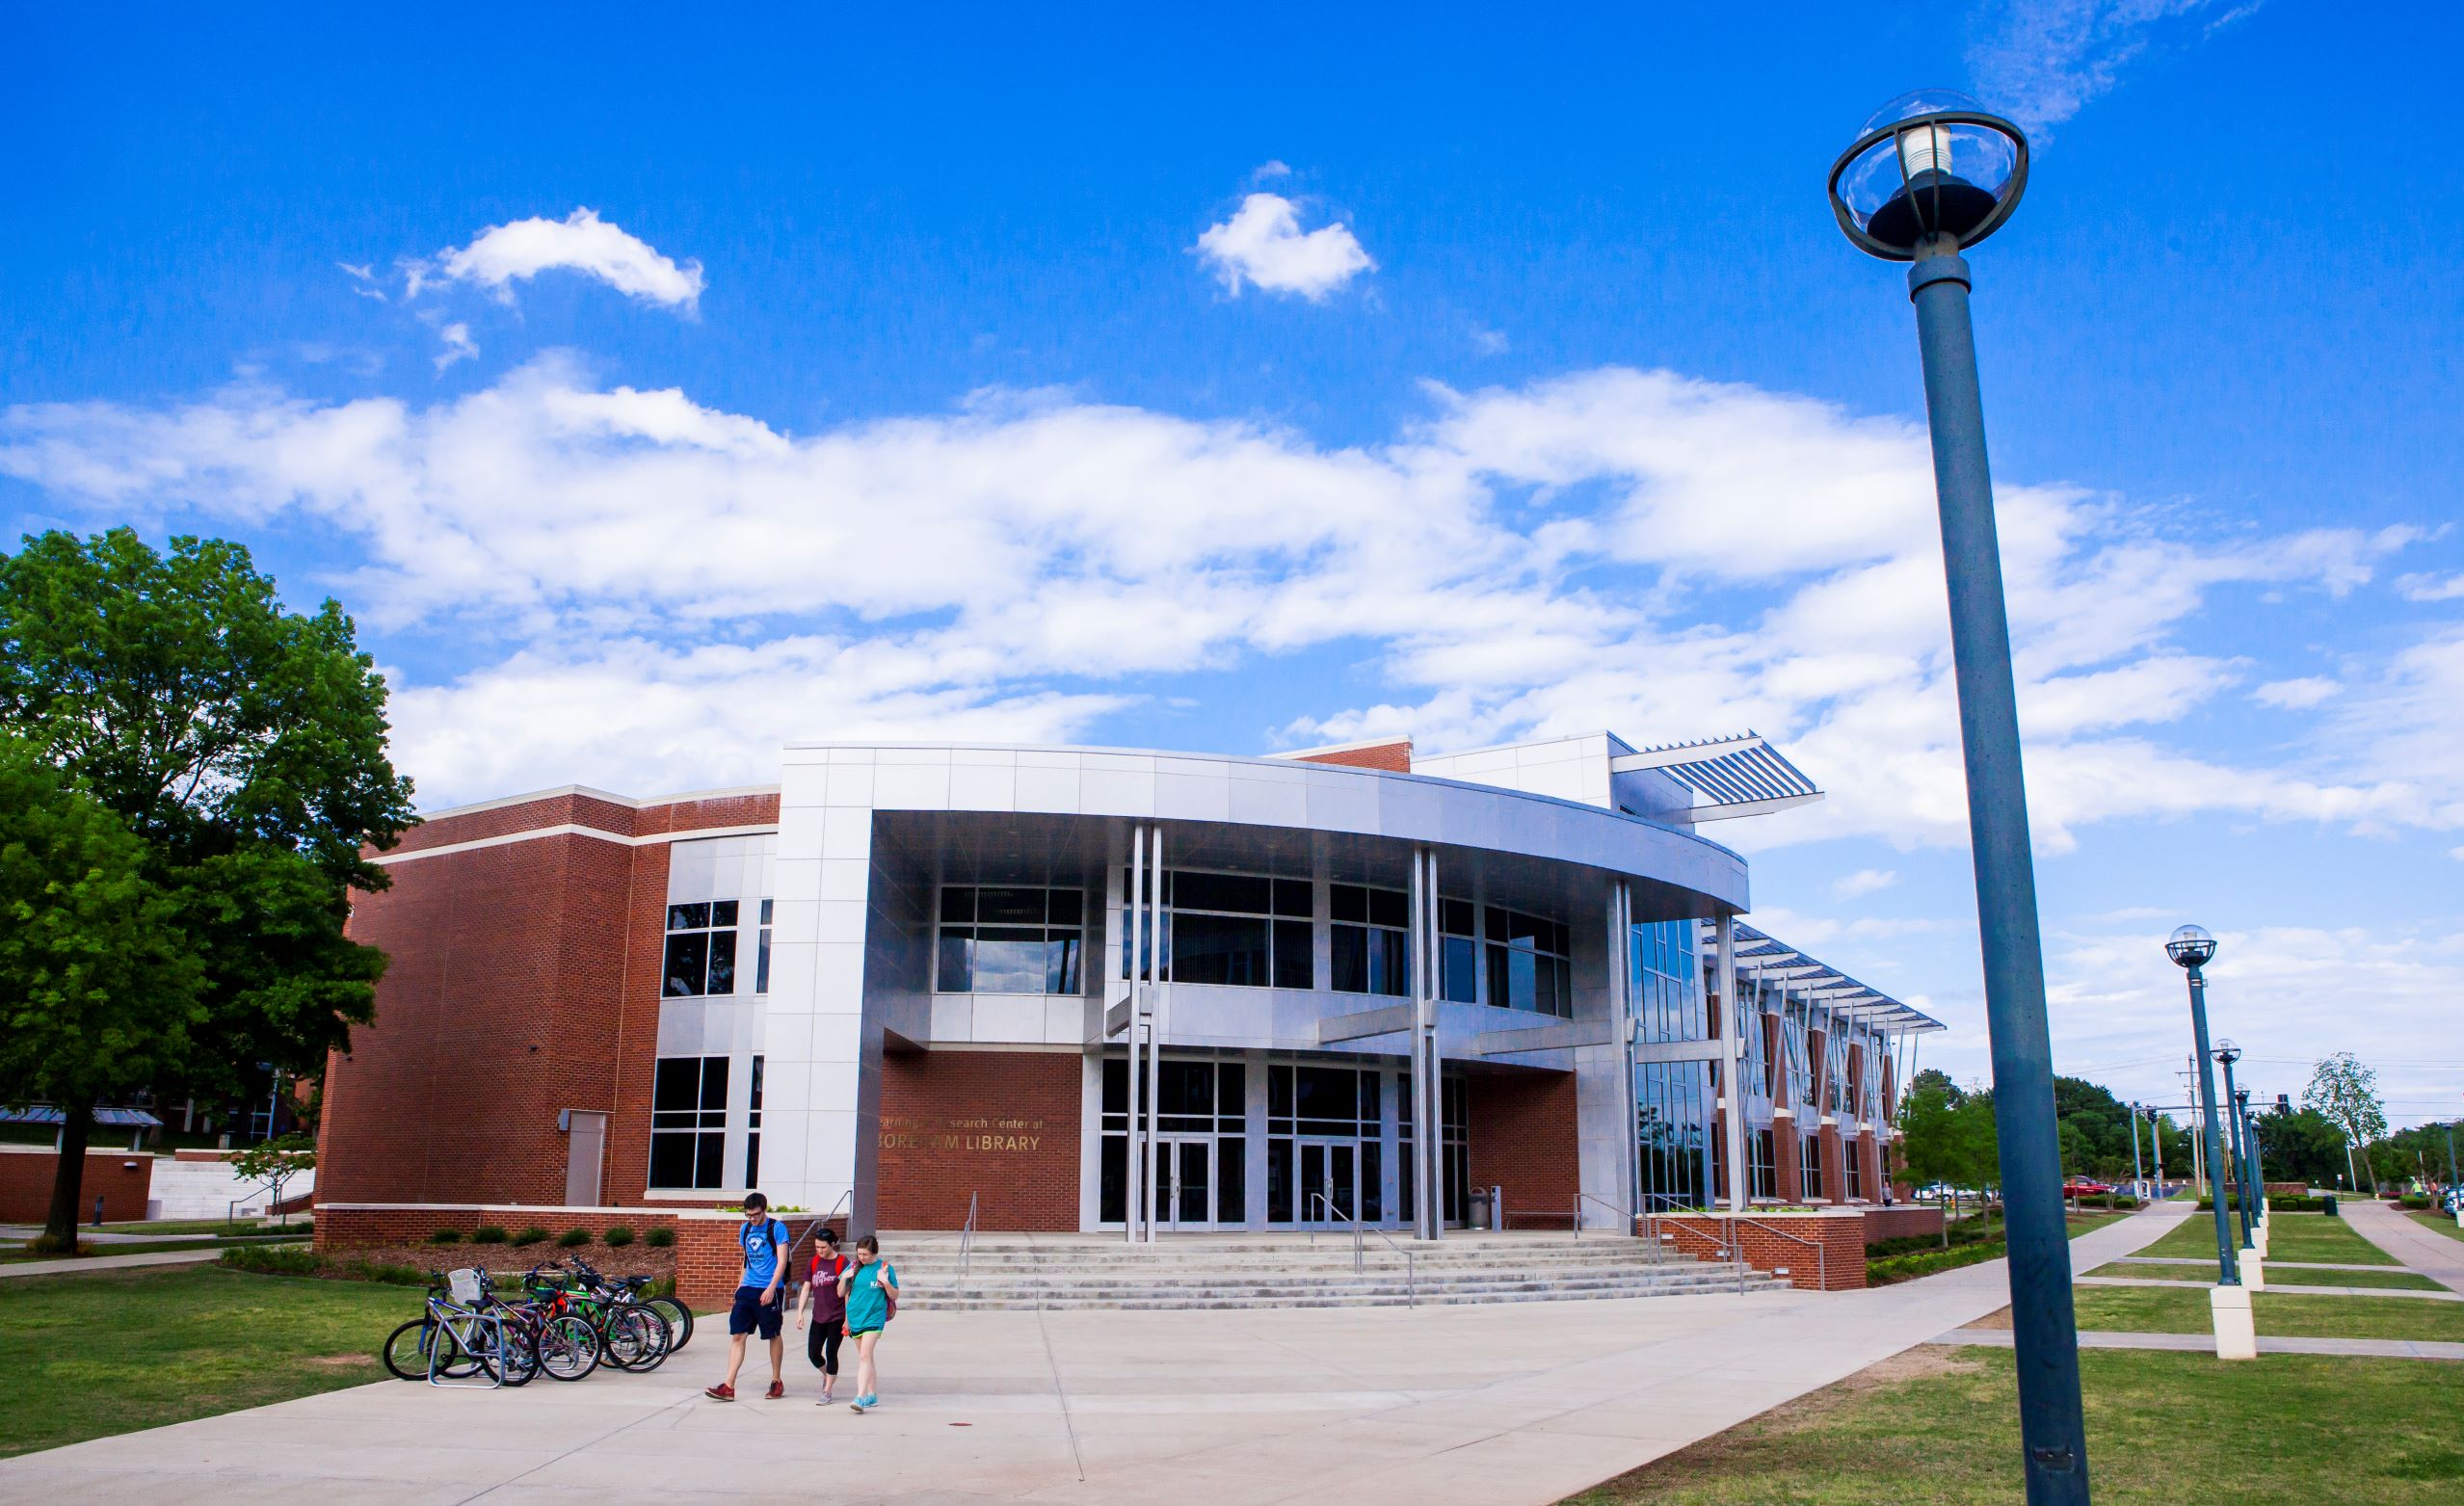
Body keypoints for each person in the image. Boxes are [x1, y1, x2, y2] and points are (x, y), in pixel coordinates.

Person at [705, 1192, 789, 1401]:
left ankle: (776, 1381)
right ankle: (728, 1386)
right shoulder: (746, 1229)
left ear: (764, 1209)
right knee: (738, 1335)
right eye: (749, 1215)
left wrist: (771, 1288)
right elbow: (746, 1259)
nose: (752, 1218)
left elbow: (782, 1260)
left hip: (769, 1288)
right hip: (748, 1288)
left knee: (772, 1334)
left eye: (756, 1214)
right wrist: (739, 1285)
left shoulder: (777, 1228)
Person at [837, 1232, 899, 1414]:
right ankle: (872, 1394)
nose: (861, 1257)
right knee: (867, 1357)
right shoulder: (854, 1267)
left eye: (865, 1254)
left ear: (874, 1253)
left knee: (864, 1356)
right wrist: (845, 1277)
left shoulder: (885, 1268)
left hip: (874, 1317)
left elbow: (895, 1295)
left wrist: (885, 1282)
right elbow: (840, 1293)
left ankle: (860, 1397)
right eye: (859, 1254)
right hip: (856, 1317)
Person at [794, 1226, 853, 1404]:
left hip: (837, 1317)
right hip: (818, 1316)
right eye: (817, 1247)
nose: (819, 1250)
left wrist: (848, 1319)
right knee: (813, 1353)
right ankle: (828, 1375)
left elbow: (847, 1293)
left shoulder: (842, 1262)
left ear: (832, 1244)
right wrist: (800, 1313)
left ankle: (827, 1391)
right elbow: (806, 1287)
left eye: (823, 1247)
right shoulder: (813, 1262)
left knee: (831, 1352)